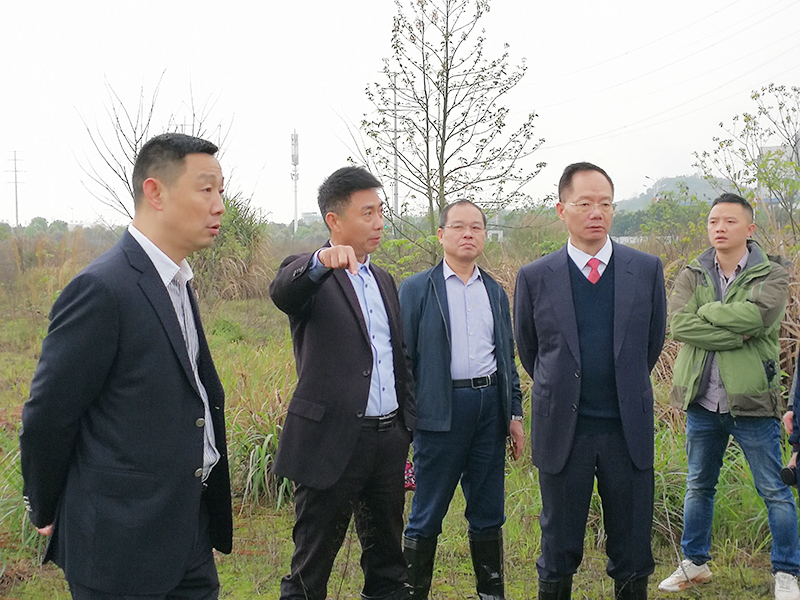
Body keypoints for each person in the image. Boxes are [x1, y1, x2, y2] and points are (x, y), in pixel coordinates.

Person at [19, 133, 233, 599]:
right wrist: (45, 504)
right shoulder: (103, 288)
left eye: (221, 190)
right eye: (206, 189)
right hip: (119, 545)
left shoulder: (177, 280)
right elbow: (49, 415)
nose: (219, 205)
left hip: (187, 532)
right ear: (155, 192)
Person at [514, 162, 667, 600]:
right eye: (584, 203)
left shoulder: (645, 269)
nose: (596, 212)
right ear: (562, 209)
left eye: (605, 203)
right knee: (558, 548)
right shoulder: (535, 276)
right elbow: (530, 350)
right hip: (565, 431)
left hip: (626, 430)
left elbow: (652, 342)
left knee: (632, 549)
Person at [269, 166, 416, 600]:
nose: (379, 222)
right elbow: (283, 292)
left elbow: (398, 356)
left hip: (387, 441)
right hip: (332, 441)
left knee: (388, 564)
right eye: (367, 213)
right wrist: (320, 262)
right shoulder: (310, 275)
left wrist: (406, 425)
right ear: (334, 220)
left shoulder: (383, 279)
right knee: (311, 568)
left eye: (381, 211)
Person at [659, 192, 800, 600]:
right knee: (698, 485)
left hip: (752, 400)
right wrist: (734, 333)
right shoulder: (694, 271)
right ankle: (695, 562)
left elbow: (758, 318)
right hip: (703, 400)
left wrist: (707, 313)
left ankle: (787, 571)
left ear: (749, 228)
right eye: (713, 221)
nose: (719, 228)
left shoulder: (772, 273)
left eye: (729, 221)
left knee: (773, 489)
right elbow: (678, 324)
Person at [398, 200, 524, 600]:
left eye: (476, 227)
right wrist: (406, 421)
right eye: (458, 227)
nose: (468, 234)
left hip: (489, 410)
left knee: (488, 511)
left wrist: (515, 413)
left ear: (484, 235)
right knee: (427, 511)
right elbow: (403, 359)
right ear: (441, 235)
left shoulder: (495, 292)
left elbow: (507, 357)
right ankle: (413, 592)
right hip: (439, 411)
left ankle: (492, 593)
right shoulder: (418, 288)